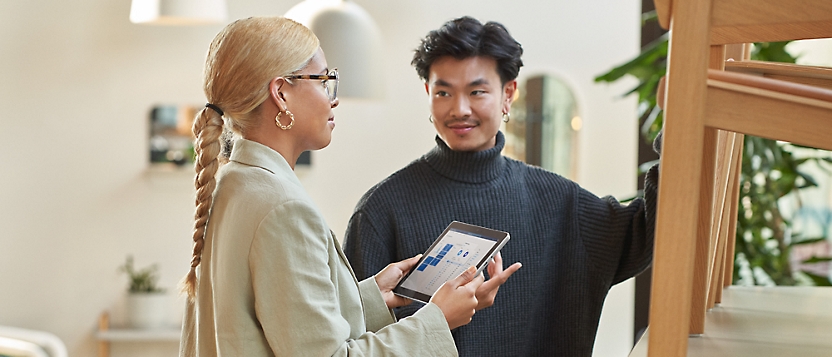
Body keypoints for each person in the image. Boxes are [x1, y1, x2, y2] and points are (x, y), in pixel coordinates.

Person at [178, 16, 513, 357]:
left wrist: (370, 296)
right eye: (324, 80)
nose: (333, 99)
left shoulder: (235, 183)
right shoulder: (283, 209)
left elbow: (285, 325)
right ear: (281, 94)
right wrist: (438, 319)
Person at [343, 16, 660, 356]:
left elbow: (649, 231)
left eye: (477, 91)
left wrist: (679, 124)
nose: (459, 109)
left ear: (508, 94)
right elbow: (351, 334)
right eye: (443, 92)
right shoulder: (381, 210)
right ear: (428, 94)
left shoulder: (561, 201)